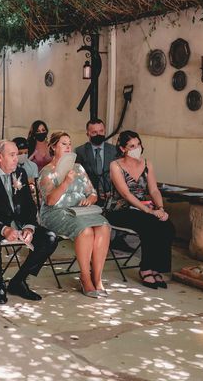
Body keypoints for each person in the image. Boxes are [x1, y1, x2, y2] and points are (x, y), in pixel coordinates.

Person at [0, 140, 59, 303]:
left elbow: (29, 206)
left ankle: (18, 281)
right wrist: (4, 229)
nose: (16, 158)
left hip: (17, 223)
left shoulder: (20, 173)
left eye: (17, 154)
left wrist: (29, 227)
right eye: (12, 155)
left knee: (50, 238)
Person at [38, 132, 111, 298]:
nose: (68, 147)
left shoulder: (78, 168)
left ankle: (97, 278)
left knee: (104, 227)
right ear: (53, 147)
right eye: (63, 143)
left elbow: (92, 193)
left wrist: (90, 199)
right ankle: (85, 278)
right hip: (56, 212)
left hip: (81, 210)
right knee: (85, 231)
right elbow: (50, 201)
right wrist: (65, 183)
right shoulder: (47, 171)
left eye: (69, 143)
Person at [106, 130, 175, 289]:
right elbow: (125, 194)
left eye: (138, 145)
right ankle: (145, 269)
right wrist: (149, 211)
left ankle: (157, 268)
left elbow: (154, 190)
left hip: (145, 207)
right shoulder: (115, 165)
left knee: (167, 226)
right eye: (131, 146)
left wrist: (160, 208)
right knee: (149, 225)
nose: (136, 148)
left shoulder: (147, 164)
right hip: (120, 209)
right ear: (123, 149)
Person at [74, 118, 132, 253]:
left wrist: (112, 192)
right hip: (90, 195)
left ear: (105, 131)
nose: (98, 134)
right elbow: (78, 178)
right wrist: (92, 193)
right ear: (87, 133)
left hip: (112, 193)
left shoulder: (114, 151)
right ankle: (92, 239)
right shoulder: (80, 151)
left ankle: (118, 239)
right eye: (94, 132)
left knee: (126, 203)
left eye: (101, 131)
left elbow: (122, 174)